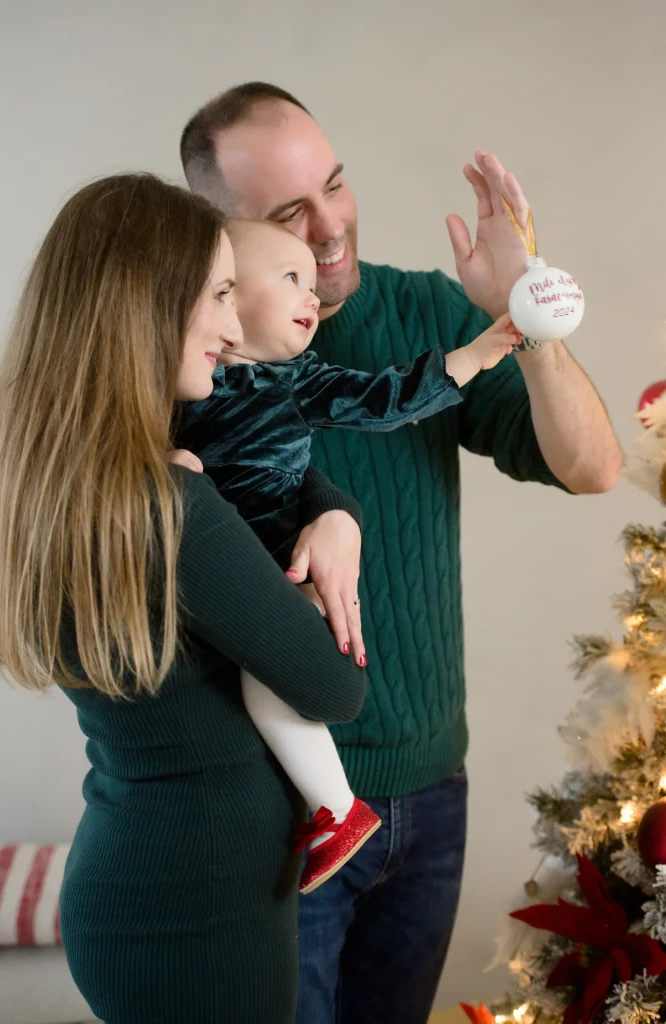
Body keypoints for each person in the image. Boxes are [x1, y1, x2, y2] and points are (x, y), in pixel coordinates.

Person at [179, 83, 623, 1024]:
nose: (329, 225)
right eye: (288, 213)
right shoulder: (185, 370)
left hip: (429, 792)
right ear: (216, 238)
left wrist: (523, 316)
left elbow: (594, 468)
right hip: (277, 808)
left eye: (334, 184)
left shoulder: (425, 314)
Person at [0, 172, 368, 1024]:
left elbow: (276, 478)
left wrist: (334, 514)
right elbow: (335, 688)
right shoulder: (170, 510)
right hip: (203, 915)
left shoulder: (46, 482)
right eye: (223, 295)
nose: (235, 330)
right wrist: (319, 557)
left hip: (139, 884)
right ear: (150, 305)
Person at [172, 216, 522, 895]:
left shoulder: (295, 378)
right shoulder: (188, 380)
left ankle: (337, 807)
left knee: (267, 682)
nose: (313, 296)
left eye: (311, 280)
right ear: (223, 296)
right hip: (220, 577)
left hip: (279, 562)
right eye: (291, 279)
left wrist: (475, 355)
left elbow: (381, 398)